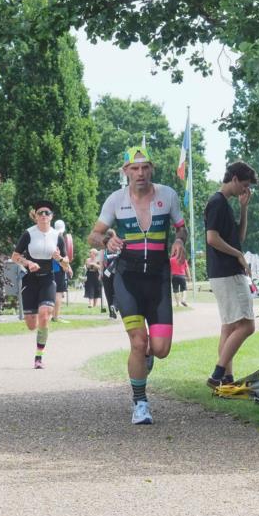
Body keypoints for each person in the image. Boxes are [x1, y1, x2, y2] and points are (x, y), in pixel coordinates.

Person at [88, 146, 188, 425]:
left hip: (157, 279)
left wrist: (180, 240)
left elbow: (181, 227)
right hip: (127, 278)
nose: (140, 173)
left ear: (151, 169)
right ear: (126, 172)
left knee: (160, 348)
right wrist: (107, 238)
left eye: (145, 168)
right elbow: (92, 236)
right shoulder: (115, 201)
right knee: (137, 341)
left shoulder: (167, 195)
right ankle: (140, 403)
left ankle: (146, 356)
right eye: (135, 168)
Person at [204, 161, 258, 388]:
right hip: (227, 272)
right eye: (244, 185)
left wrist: (244, 208)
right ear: (234, 178)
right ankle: (217, 374)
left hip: (221, 272)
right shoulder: (217, 202)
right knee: (247, 326)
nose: (244, 190)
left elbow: (239, 237)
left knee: (229, 326)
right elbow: (212, 238)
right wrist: (239, 256)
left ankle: (227, 378)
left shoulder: (225, 204)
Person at [11, 200, 72, 369]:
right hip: (30, 280)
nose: (44, 215)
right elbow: (14, 256)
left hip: (47, 280)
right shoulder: (28, 234)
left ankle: (38, 357)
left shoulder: (57, 236)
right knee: (32, 324)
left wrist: (59, 259)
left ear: (51, 217)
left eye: (47, 213)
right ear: (35, 217)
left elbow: (66, 264)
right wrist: (28, 263)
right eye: (40, 213)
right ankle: (39, 328)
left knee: (45, 315)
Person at [51, 218, 72, 323]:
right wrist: (67, 267)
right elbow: (63, 257)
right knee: (58, 293)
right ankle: (56, 317)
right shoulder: (60, 238)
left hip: (50, 269)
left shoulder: (50, 236)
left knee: (52, 293)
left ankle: (53, 316)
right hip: (59, 269)